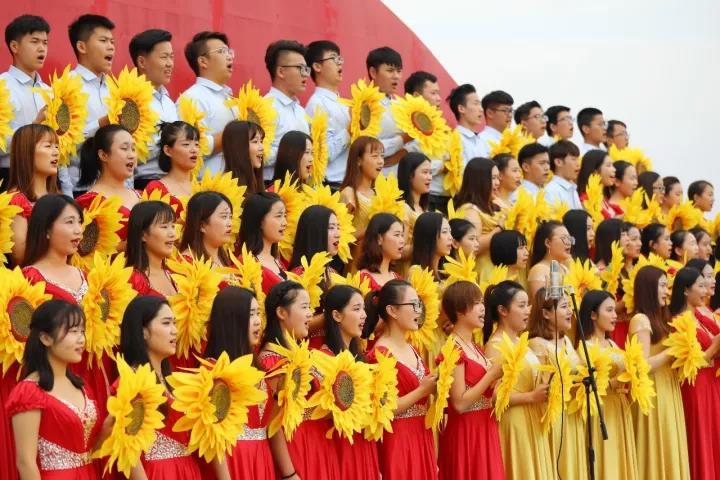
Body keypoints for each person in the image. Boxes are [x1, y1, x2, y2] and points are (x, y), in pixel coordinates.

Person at [7, 300, 101, 480]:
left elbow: (92, 448)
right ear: (45, 338)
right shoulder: (29, 392)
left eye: (82, 331)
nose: (81, 339)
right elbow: (25, 462)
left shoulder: (81, 386)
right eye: (73, 331)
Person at [258, 280, 340, 480]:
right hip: (297, 448)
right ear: (281, 312)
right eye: (304, 307)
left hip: (319, 445)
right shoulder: (271, 360)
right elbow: (273, 423)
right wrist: (290, 474)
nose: (310, 313)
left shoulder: (303, 354)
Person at [114, 295, 202, 478]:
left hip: (187, 470)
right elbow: (129, 449)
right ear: (143, 332)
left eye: (175, 323)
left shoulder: (173, 380)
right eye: (166, 323)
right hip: (158, 473)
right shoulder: (131, 382)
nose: (174, 331)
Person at [364, 279, 439, 480]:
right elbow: (384, 408)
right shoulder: (379, 354)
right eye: (413, 304)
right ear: (392, 311)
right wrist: (422, 390)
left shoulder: (411, 347)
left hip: (421, 434)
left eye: (419, 304)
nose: (418, 310)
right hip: (398, 439)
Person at [482, 280, 552, 479]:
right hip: (514, 423)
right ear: (503, 310)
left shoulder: (521, 342)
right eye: (521, 305)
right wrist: (531, 397)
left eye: (528, 305)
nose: (528, 310)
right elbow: (493, 395)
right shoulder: (495, 345)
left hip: (531, 417)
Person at [204, 286, 274, 480]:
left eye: (258, 313)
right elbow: (213, 436)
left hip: (262, 460)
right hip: (233, 462)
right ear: (232, 319)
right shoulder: (213, 371)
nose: (258, 321)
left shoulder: (257, 366)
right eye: (251, 314)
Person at [628, 265, 690, 480]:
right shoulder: (641, 320)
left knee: (669, 444)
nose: (666, 291)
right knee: (657, 446)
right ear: (649, 288)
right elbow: (642, 366)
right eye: (662, 286)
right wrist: (673, 351)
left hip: (666, 387)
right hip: (653, 391)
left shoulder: (662, 318)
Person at [438, 281, 505, 479]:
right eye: (476, 303)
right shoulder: (453, 348)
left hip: (485, 426)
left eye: (482, 302)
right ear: (459, 310)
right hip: (466, 431)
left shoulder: (474, 347)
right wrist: (491, 375)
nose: (482, 308)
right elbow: (459, 403)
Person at [577, 290, 640, 480]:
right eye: (609, 310)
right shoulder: (585, 347)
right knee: (607, 460)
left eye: (614, 310)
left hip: (620, 408)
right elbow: (584, 388)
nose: (614, 315)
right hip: (601, 411)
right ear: (593, 315)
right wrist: (614, 382)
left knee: (620, 459)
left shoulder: (612, 343)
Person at [320, 285, 380, 478]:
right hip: (341, 449)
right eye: (356, 309)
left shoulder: (359, 357)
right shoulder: (323, 360)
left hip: (364, 446)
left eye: (364, 309)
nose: (364, 315)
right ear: (337, 315)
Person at [528, 289, 588, 480]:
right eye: (564, 306)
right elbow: (539, 383)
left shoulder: (567, 341)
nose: (570, 311)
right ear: (546, 313)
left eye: (570, 306)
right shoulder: (536, 344)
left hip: (572, 412)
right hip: (554, 416)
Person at [669, 267, 720, 480]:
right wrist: (714, 347)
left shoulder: (700, 316)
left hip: (711, 383)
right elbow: (688, 361)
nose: (705, 290)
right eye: (700, 286)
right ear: (685, 290)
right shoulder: (679, 322)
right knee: (702, 436)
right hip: (696, 386)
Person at [59, 14, 115, 197]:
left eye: (112, 42)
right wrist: (100, 124)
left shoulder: (116, 89)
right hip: (81, 188)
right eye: (103, 41)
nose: (111, 47)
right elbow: (61, 144)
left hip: (116, 187)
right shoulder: (66, 86)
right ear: (81, 47)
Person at [0, 14, 50, 192]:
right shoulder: (2, 86)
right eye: (34, 41)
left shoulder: (50, 92)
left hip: (47, 179)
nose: (42, 48)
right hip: (10, 178)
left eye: (45, 43)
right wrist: (34, 129)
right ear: (14, 46)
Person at [129, 29, 179, 189]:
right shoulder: (129, 101)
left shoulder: (169, 102)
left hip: (171, 183)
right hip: (144, 184)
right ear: (142, 62)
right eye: (164, 57)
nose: (170, 63)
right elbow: (127, 151)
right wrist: (173, 145)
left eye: (171, 57)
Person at [179, 31, 234, 176]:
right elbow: (187, 148)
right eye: (222, 51)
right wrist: (233, 135)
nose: (229, 56)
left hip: (233, 184)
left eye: (229, 51)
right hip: (205, 185)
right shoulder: (192, 98)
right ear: (203, 61)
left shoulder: (230, 99)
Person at [76, 124, 140, 244]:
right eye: (124, 148)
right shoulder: (89, 202)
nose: (132, 155)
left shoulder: (141, 195)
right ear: (103, 155)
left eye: (133, 149)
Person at [7, 124, 59, 265]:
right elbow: (20, 256)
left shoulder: (57, 196)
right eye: (48, 146)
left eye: (57, 146)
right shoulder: (16, 200)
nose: (56, 152)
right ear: (26, 152)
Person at [22, 194, 86, 304]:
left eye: (79, 222)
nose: (79, 230)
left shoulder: (85, 275)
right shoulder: (29, 279)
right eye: (70, 222)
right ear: (47, 230)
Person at [304, 40, 350, 191]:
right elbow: (321, 154)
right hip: (331, 186)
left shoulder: (345, 104)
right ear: (317, 67)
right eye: (334, 58)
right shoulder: (316, 104)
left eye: (340, 59)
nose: (339, 63)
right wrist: (349, 131)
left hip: (348, 184)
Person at [263, 39, 310, 182]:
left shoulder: (301, 111)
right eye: (300, 68)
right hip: (272, 186)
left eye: (306, 69)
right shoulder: (265, 107)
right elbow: (259, 155)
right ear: (281, 71)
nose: (305, 74)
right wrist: (292, 152)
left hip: (300, 186)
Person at [403, 71, 449, 213]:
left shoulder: (438, 125)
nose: (439, 99)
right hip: (424, 197)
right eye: (433, 93)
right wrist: (443, 165)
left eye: (438, 93)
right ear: (417, 96)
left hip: (443, 197)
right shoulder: (407, 124)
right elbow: (411, 164)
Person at [453, 157, 503, 282]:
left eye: (498, 178)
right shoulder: (469, 210)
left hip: (497, 268)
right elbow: (474, 246)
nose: (498, 182)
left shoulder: (494, 204)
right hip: (483, 270)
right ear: (480, 181)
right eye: (493, 178)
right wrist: (499, 229)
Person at [367, 46, 409, 175]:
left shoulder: (402, 105)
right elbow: (367, 147)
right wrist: (402, 140)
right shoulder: (364, 105)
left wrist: (404, 152)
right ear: (373, 72)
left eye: (399, 71)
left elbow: (420, 141)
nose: (396, 76)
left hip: (401, 178)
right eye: (390, 71)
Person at [144, 120, 201, 215]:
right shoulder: (156, 189)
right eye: (186, 144)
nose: (194, 149)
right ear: (168, 150)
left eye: (196, 144)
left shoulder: (204, 186)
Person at [237, 192, 288, 294]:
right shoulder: (245, 263)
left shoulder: (277, 262)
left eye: (285, 216)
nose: (285, 223)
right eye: (278, 216)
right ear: (259, 221)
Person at [126, 200, 178, 297]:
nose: (172, 234)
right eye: (164, 227)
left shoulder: (174, 274)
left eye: (173, 226)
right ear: (143, 235)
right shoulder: (133, 281)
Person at [339, 136, 384, 238]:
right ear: (358, 160)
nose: (381, 161)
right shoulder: (349, 194)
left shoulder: (379, 193)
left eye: (382, 156)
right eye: (375, 156)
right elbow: (341, 237)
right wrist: (371, 229)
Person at [180, 191, 234, 268]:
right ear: (201, 225)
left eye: (230, 217)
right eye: (224, 217)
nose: (230, 224)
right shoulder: (187, 262)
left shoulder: (223, 257)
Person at [397, 151, 431, 267]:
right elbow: (399, 251)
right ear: (410, 175)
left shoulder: (424, 209)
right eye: (425, 172)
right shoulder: (403, 208)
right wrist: (429, 245)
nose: (429, 177)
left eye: (430, 173)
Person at [357, 213, 405, 292]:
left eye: (402, 235)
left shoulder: (399, 279)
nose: (402, 240)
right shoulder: (362, 279)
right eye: (397, 235)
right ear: (379, 238)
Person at [527, 221, 573, 301]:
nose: (569, 242)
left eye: (569, 238)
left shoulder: (564, 268)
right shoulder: (539, 270)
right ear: (548, 243)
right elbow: (541, 304)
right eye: (564, 238)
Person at [447, 84, 487, 166]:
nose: (481, 109)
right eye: (476, 104)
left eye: (480, 104)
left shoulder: (482, 141)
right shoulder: (454, 140)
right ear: (461, 109)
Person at [222, 120, 265, 194]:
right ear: (238, 147)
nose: (262, 147)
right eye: (255, 141)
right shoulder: (225, 191)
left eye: (261, 141)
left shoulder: (258, 186)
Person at [411, 211, 453, 281]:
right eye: (444, 232)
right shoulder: (417, 271)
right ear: (429, 235)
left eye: (450, 232)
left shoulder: (446, 273)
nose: (451, 237)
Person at [577, 149, 617, 219]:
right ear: (595, 171)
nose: (614, 169)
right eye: (608, 165)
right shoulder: (586, 200)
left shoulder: (603, 197)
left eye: (613, 165)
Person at [544, 140, 583, 209]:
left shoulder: (573, 188)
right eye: (574, 159)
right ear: (558, 162)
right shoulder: (550, 191)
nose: (578, 164)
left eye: (578, 159)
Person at [478, 90, 514, 157]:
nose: (510, 115)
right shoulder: (482, 141)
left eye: (511, 111)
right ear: (490, 113)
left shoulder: (511, 141)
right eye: (505, 111)